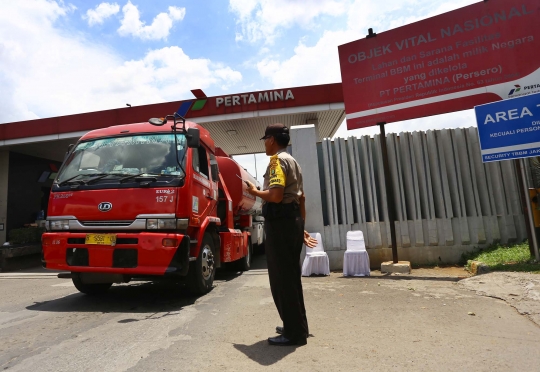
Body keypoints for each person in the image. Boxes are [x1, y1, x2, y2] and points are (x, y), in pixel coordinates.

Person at [246, 123, 316, 347]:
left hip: (281, 223)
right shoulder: (292, 160)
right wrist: (300, 226)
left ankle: (294, 334)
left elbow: (275, 196)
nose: (265, 143)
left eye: (265, 139)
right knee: (291, 278)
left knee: (282, 280)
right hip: (291, 221)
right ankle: (296, 325)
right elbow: (301, 197)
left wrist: (254, 191)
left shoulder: (277, 161)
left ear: (271, 139)